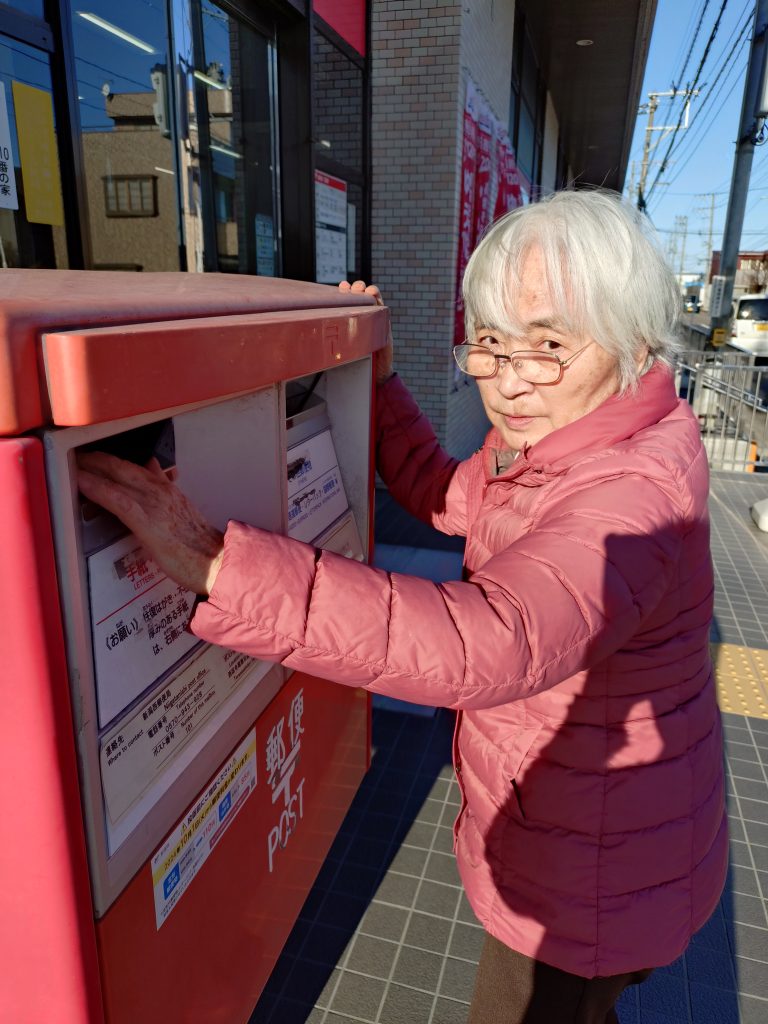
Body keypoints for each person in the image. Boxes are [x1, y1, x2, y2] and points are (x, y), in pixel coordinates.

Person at [78, 189, 727, 1024]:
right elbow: (443, 492)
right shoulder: (559, 446)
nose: (508, 382)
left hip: (594, 880)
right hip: (594, 840)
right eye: (489, 342)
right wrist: (377, 383)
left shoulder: (631, 491)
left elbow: (491, 643)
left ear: (634, 343)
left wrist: (218, 564)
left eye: (548, 346)